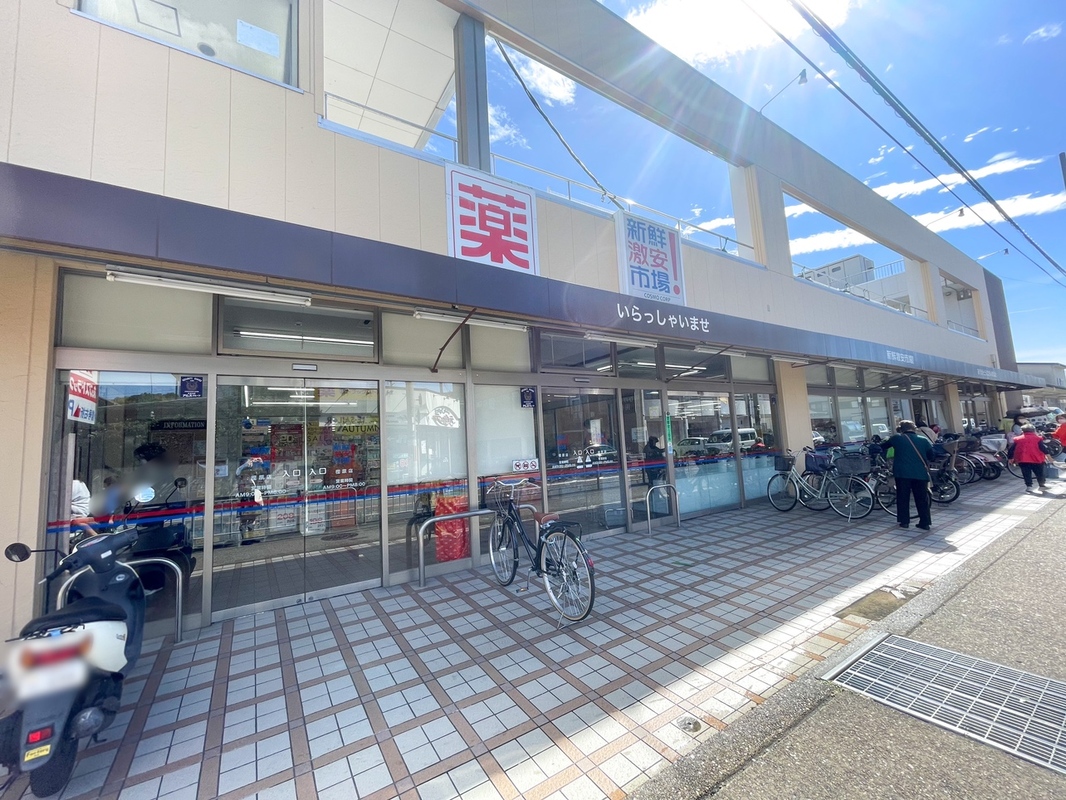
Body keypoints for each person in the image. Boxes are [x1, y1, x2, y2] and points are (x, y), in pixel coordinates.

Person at [886, 420, 933, 531]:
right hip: (920, 473)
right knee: (922, 498)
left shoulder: (896, 438)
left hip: (902, 473)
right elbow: (931, 456)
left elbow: (882, 446)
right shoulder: (923, 440)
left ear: (901, 429)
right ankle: (925, 523)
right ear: (914, 428)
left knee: (903, 497)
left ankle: (904, 522)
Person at [1007, 423, 1050, 494]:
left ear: (1022, 431)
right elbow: (1042, 448)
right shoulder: (1038, 438)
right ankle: (1041, 485)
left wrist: (1010, 458)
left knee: (1026, 473)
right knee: (1039, 473)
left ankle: (1029, 486)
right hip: (1037, 459)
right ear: (1033, 430)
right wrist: (1048, 455)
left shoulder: (1017, 439)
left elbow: (1011, 449)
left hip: (1023, 459)